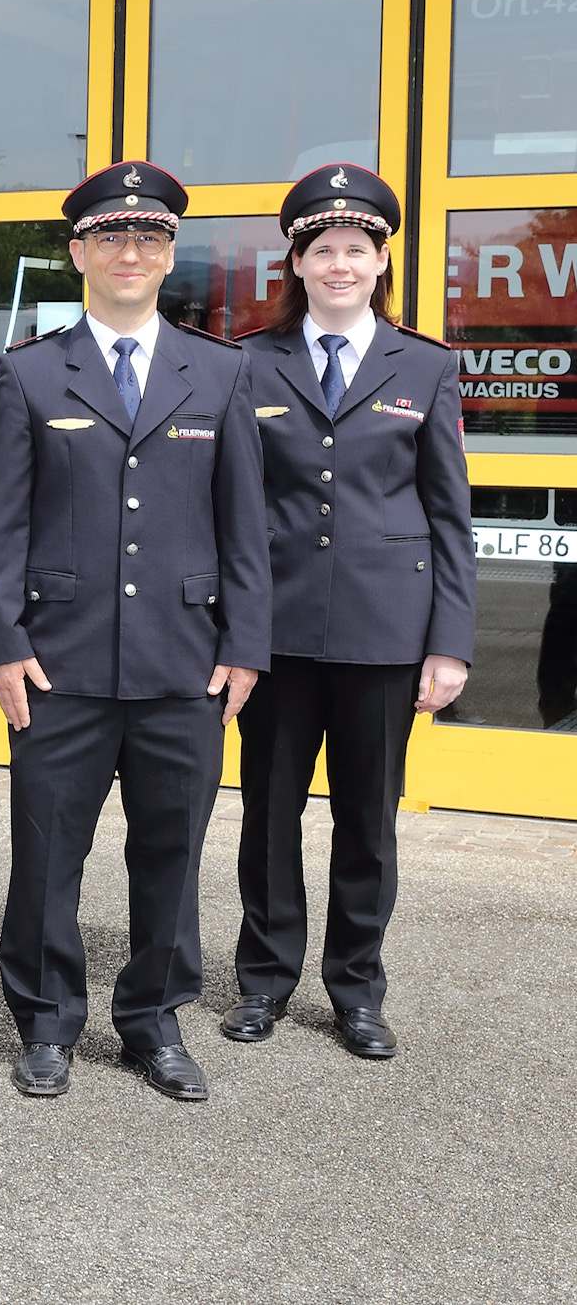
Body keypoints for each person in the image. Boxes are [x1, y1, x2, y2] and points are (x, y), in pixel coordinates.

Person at [0, 161, 271, 1103]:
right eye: (109, 236)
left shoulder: (219, 371)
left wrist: (245, 644)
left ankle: (154, 1022)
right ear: (77, 253)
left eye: (147, 237)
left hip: (184, 662)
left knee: (171, 856)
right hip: (56, 664)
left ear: (169, 254)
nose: (128, 251)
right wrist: (3, 644)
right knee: (45, 856)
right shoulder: (28, 372)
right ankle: (45, 1023)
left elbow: (244, 526)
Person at [220, 165, 473, 1062]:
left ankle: (357, 990)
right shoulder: (246, 361)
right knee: (268, 815)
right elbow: (228, 505)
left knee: (367, 821)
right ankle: (263, 980)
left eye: (355, 249)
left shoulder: (426, 364)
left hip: (384, 631)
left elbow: (448, 514)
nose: (338, 264)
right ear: (295, 263)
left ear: (380, 262)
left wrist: (448, 643)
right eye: (321, 249)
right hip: (276, 632)